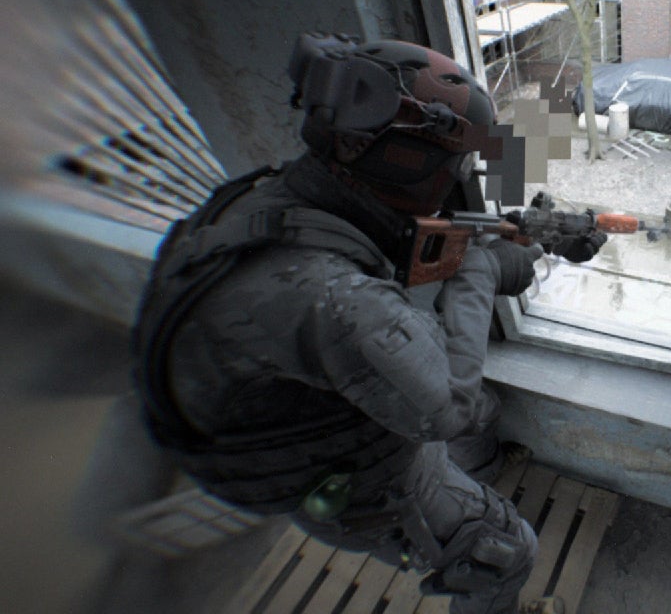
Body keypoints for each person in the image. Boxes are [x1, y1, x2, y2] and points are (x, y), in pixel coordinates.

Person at [132, 33, 605, 614]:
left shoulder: (266, 198)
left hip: (248, 406)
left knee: (484, 411)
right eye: (456, 165)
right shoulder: (336, 301)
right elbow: (445, 407)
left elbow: (396, 245)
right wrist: (482, 268)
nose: (460, 179)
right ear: (408, 164)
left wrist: (513, 236)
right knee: (505, 550)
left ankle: (473, 473)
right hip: (324, 468)